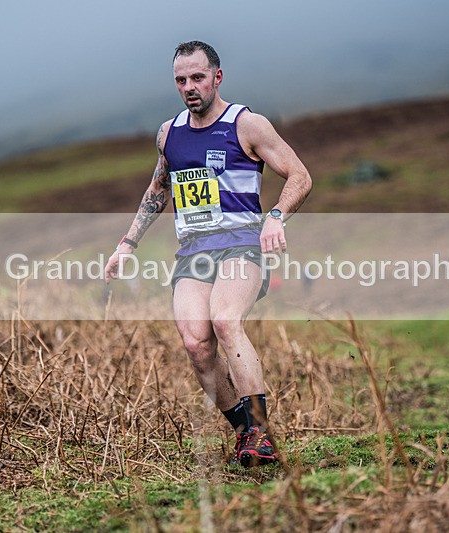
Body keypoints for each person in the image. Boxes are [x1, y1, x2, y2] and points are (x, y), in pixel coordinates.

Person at [104, 41, 312, 467]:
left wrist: (275, 215)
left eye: (197, 77)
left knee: (224, 320)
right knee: (196, 342)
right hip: (193, 253)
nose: (189, 87)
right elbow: (158, 189)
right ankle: (246, 434)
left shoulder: (247, 124)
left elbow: (300, 175)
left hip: (241, 245)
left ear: (217, 77)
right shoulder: (169, 133)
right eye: (181, 80)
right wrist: (128, 243)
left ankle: (261, 428)